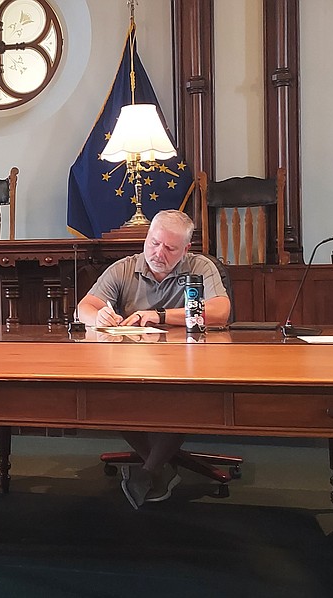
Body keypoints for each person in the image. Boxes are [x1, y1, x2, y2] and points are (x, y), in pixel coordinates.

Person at [76, 209, 231, 509]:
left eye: (170, 248)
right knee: (109, 397)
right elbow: (85, 306)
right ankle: (159, 466)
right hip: (132, 367)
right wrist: (100, 316)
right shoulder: (125, 268)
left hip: (186, 365)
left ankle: (148, 471)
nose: (158, 253)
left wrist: (159, 316)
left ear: (185, 250)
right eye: (153, 243)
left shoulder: (201, 266)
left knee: (184, 399)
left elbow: (220, 311)